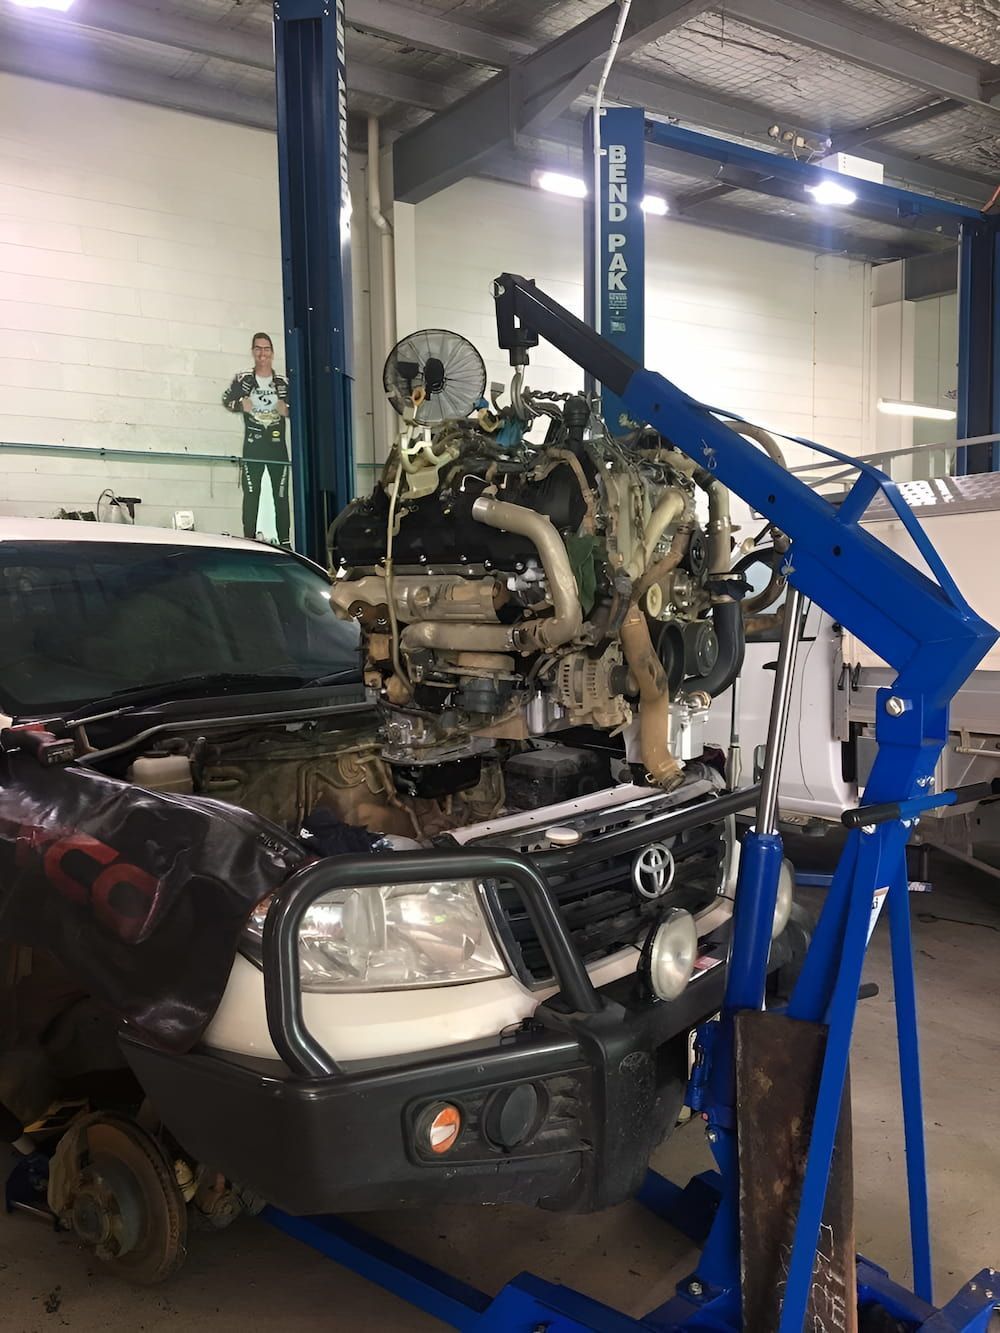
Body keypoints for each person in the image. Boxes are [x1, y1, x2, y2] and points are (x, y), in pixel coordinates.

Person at [222, 333, 291, 545]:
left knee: (281, 496)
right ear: (253, 352)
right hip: (253, 445)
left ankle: (286, 541)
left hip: (277, 446)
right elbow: (227, 399)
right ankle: (249, 540)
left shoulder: (283, 382)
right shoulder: (244, 379)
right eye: (258, 349)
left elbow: (298, 409)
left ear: (272, 352)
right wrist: (239, 405)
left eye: (267, 349)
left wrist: (287, 410)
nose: (263, 353)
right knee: (251, 495)